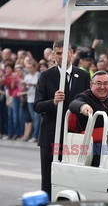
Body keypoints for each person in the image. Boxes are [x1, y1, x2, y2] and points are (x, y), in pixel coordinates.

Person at [34, 40, 90, 200]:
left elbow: (89, 100)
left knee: (73, 177)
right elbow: (37, 105)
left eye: (65, 52)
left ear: (72, 53)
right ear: (53, 55)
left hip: (75, 136)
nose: (61, 56)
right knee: (49, 178)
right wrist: (53, 102)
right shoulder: (46, 76)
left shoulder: (83, 75)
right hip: (50, 135)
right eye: (58, 53)